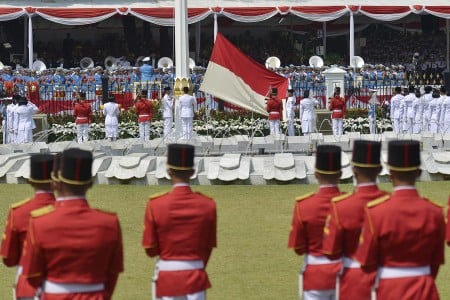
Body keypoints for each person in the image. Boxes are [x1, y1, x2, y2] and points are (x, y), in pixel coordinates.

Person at [20, 148, 124, 300]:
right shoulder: (110, 222)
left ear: (56, 183)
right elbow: (113, 272)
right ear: (90, 183)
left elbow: (31, 274)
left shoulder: (39, 222)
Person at [355, 140, 445, 300]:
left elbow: (366, 261)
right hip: (425, 288)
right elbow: (436, 261)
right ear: (418, 172)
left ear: (390, 173)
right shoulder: (435, 212)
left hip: (389, 290)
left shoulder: (376, 212)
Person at [142, 143, 217, 300]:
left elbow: (150, 248)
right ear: (192, 172)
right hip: (195, 272)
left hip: (166, 272)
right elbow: (209, 246)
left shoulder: (156, 204)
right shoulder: (207, 205)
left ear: (169, 171)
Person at [322, 140, 387, 300]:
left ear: (353, 170)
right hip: (387, 279)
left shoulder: (340, 206)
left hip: (353, 280)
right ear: (379, 169)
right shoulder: (390, 203)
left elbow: (330, 251)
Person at [288, 145, 344, 300]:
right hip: (344, 272)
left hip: (315, 274)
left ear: (316, 174)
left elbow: (298, 248)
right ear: (340, 174)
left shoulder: (304, 205)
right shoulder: (350, 203)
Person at [1, 154, 56, 300]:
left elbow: (8, 259)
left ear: (31, 181)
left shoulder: (18, 212)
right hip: (63, 287)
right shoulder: (67, 211)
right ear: (56, 180)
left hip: (28, 287)